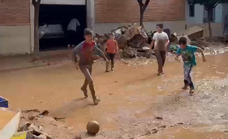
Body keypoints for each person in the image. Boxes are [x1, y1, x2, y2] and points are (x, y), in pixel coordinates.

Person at [71, 28, 108, 105]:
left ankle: (84, 88)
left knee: (88, 79)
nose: (90, 38)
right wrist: (74, 62)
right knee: (90, 80)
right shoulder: (81, 46)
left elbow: (98, 51)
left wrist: (105, 58)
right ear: (85, 36)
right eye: (88, 36)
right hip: (83, 64)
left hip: (90, 63)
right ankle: (94, 98)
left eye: (91, 36)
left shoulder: (93, 43)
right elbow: (73, 52)